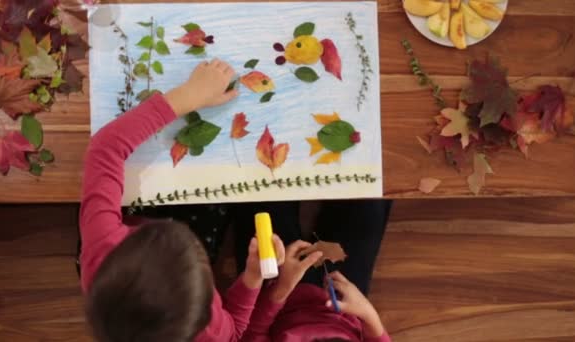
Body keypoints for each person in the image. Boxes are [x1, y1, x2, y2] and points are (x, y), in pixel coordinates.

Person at [80, 59, 296, 341]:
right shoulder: (209, 330)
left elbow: (105, 148)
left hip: (119, 231)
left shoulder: (104, 256)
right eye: (204, 266)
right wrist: (252, 277)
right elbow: (234, 332)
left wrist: (189, 95)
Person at [232, 201, 392, 342]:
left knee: (260, 197)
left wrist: (281, 288)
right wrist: (367, 313)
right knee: (369, 201)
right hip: (343, 295)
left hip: (280, 294)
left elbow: (251, 333)